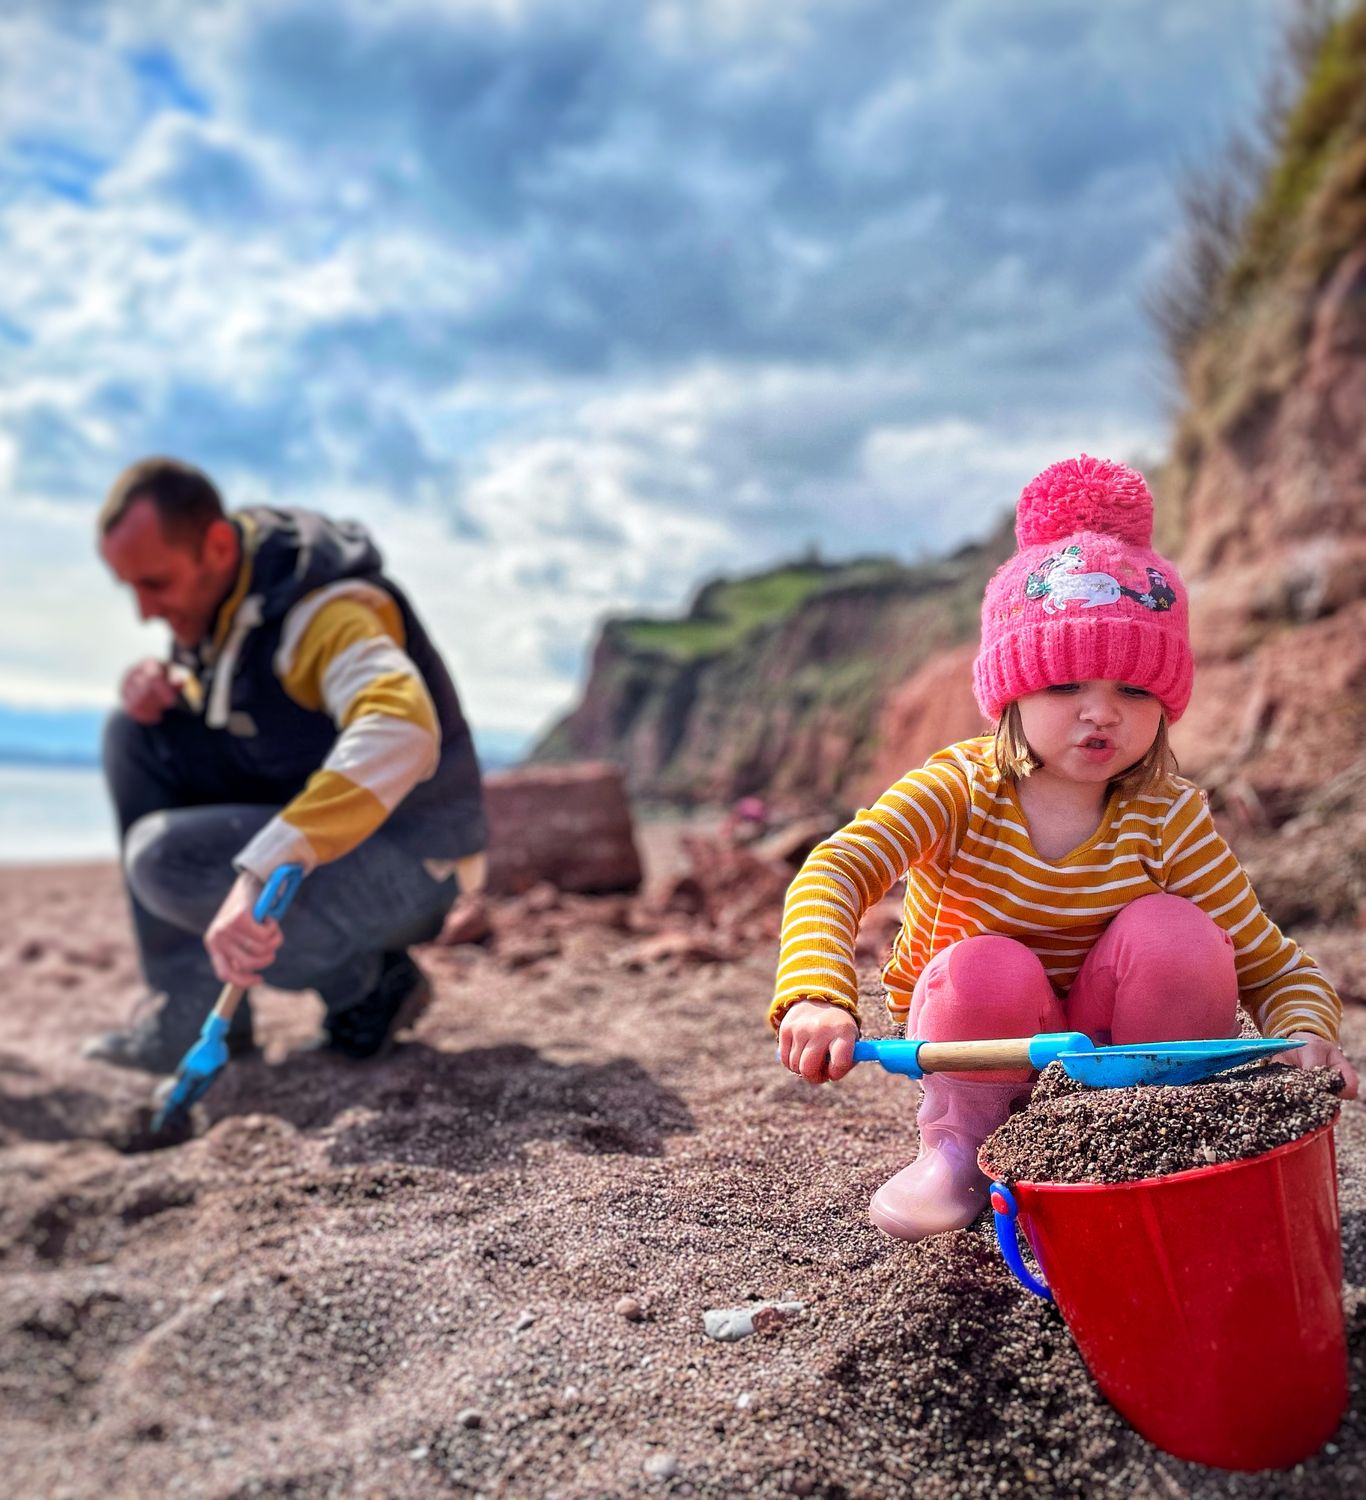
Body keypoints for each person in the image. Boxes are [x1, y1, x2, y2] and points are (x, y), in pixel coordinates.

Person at [770, 454, 1357, 1241]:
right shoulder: (960, 789)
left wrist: (1308, 1033)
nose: (1101, 715)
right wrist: (816, 993)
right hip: (983, 1034)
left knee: (1179, 935)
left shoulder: (1166, 815)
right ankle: (962, 1144)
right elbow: (838, 868)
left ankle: (1154, 1127)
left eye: (1134, 691)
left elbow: (1267, 960)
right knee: (988, 964)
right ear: (1012, 692)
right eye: (1065, 687)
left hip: (1124, 1059)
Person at [84, 456, 487, 1074]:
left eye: (156, 584)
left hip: (413, 862)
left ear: (217, 546)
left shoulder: (326, 612)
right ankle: (190, 1017)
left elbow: (402, 729)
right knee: (134, 734)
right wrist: (170, 686)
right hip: (339, 839)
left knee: (163, 858)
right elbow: (264, 714)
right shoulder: (228, 598)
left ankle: (367, 985)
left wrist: (258, 872)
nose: (143, 611)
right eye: (130, 588)